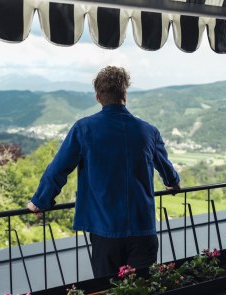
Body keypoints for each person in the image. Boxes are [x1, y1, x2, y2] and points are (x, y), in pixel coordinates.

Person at [27, 66, 180, 278]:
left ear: (98, 97)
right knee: (143, 288)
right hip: (143, 228)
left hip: (104, 229)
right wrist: (172, 182)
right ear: (124, 95)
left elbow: (59, 168)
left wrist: (40, 201)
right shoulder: (149, 131)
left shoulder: (84, 128)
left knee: (107, 289)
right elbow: (165, 168)